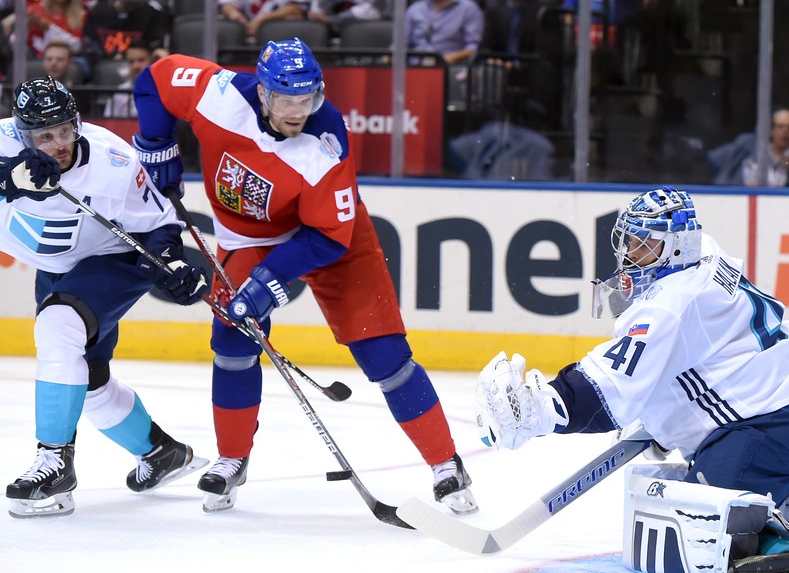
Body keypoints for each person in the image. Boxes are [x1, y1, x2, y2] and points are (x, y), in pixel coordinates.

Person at [131, 38, 478, 516]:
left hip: (331, 238)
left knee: (385, 357)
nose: (298, 112)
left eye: (307, 99)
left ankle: (447, 465)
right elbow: (154, 81)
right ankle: (232, 459)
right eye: (286, 101)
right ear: (262, 94)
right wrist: (156, 143)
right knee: (232, 345)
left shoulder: (325, 138)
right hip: (247, 239)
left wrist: (268, 281)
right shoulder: (219, 95)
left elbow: (328, 238)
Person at [475, 187, 789, 573]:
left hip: (777, 425)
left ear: (677, 246)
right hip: (788, 409)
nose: (630, 252)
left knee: (701, 517)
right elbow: (691, 357)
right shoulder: (704, 254)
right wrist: (663, 419)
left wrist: (540, 409)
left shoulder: (671, 303)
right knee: (694, 495)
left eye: (644, 243)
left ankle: (775, 543)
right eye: (630, 240)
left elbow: (608, 385)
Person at [0, 76, 210, 518]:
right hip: (58, 266)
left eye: (64, 129)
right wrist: (8, 179)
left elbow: (159, 224)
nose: (59, 143)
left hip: (113, 259)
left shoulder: (112, 162)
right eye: (44, 135)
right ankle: (160, 453)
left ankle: (55, 465)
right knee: (87, 376)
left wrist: (169, 262)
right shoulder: (4, 144)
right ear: (22, 135)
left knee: (57, 330)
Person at [81, 0, 170, 71]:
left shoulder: (151, 14)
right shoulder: (98, 13)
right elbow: (90, 46)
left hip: (138, 66)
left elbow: (155, 46)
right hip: (103, 67)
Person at [2, 0, 87, 60]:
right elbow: (13, 43)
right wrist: (26, 26)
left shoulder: (80, 15)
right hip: (35, 62)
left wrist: (49, 28)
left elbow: (77, 47)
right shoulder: (34, 11)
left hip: (65, 63)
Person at [405, 0, 484, 67]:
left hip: (450, 67)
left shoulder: (469, 9)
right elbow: (401, 43)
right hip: (415, 67)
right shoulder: (414, 9)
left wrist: (447, 59)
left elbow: (472, 47)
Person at [102, 41, 155, 118]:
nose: (136, 66)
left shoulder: (161, 90)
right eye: (131, 62)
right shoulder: (120, 92)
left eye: (141, 60)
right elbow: (108, 123)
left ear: (152, 60)